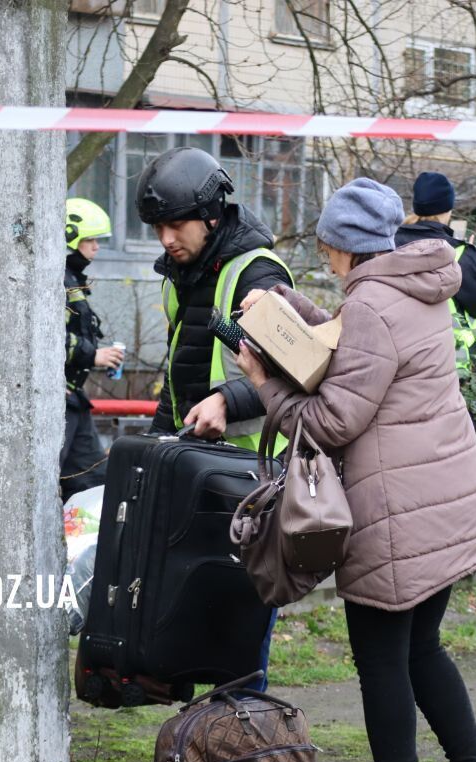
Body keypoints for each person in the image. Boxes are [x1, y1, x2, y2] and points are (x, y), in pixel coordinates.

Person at [235, 178, 476, 762]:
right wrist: (288, 306)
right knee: (421, 650)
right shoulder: (416, 286)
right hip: (442, 497)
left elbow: (331, 420)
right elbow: (355, 344)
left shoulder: (374, 307)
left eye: (327, 244)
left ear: (339, 244)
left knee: (382, 659)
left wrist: (261, 384)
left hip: (397, 511)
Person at [136, 146, 293, 692]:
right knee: (198, 598)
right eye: (157, 228)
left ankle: (244, 729)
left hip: (256, 471)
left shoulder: (259, 274)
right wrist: (157, 441)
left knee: (243, 612)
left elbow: (293, 374)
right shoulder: (181, 274)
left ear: (209, 215)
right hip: (199, 464)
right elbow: (182, 368)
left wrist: (229, 400)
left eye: (175, 225)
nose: (166, 239)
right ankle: (212, 729)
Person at [394, 173, 476, 447]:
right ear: (448, 210)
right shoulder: (457, 254)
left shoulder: (390, 248)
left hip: (405, 365)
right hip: (457, 369)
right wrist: (475, 258)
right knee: (464, 444)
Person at [62, 198, 124, 500]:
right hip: (57, 400)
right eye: (91, 239)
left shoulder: (72, 281)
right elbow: (46, 341)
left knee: (93, 483)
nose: (96, 247)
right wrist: (93, 354)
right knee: (45, 481)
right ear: (71, 237)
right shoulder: (55, 280)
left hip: (73, 398)